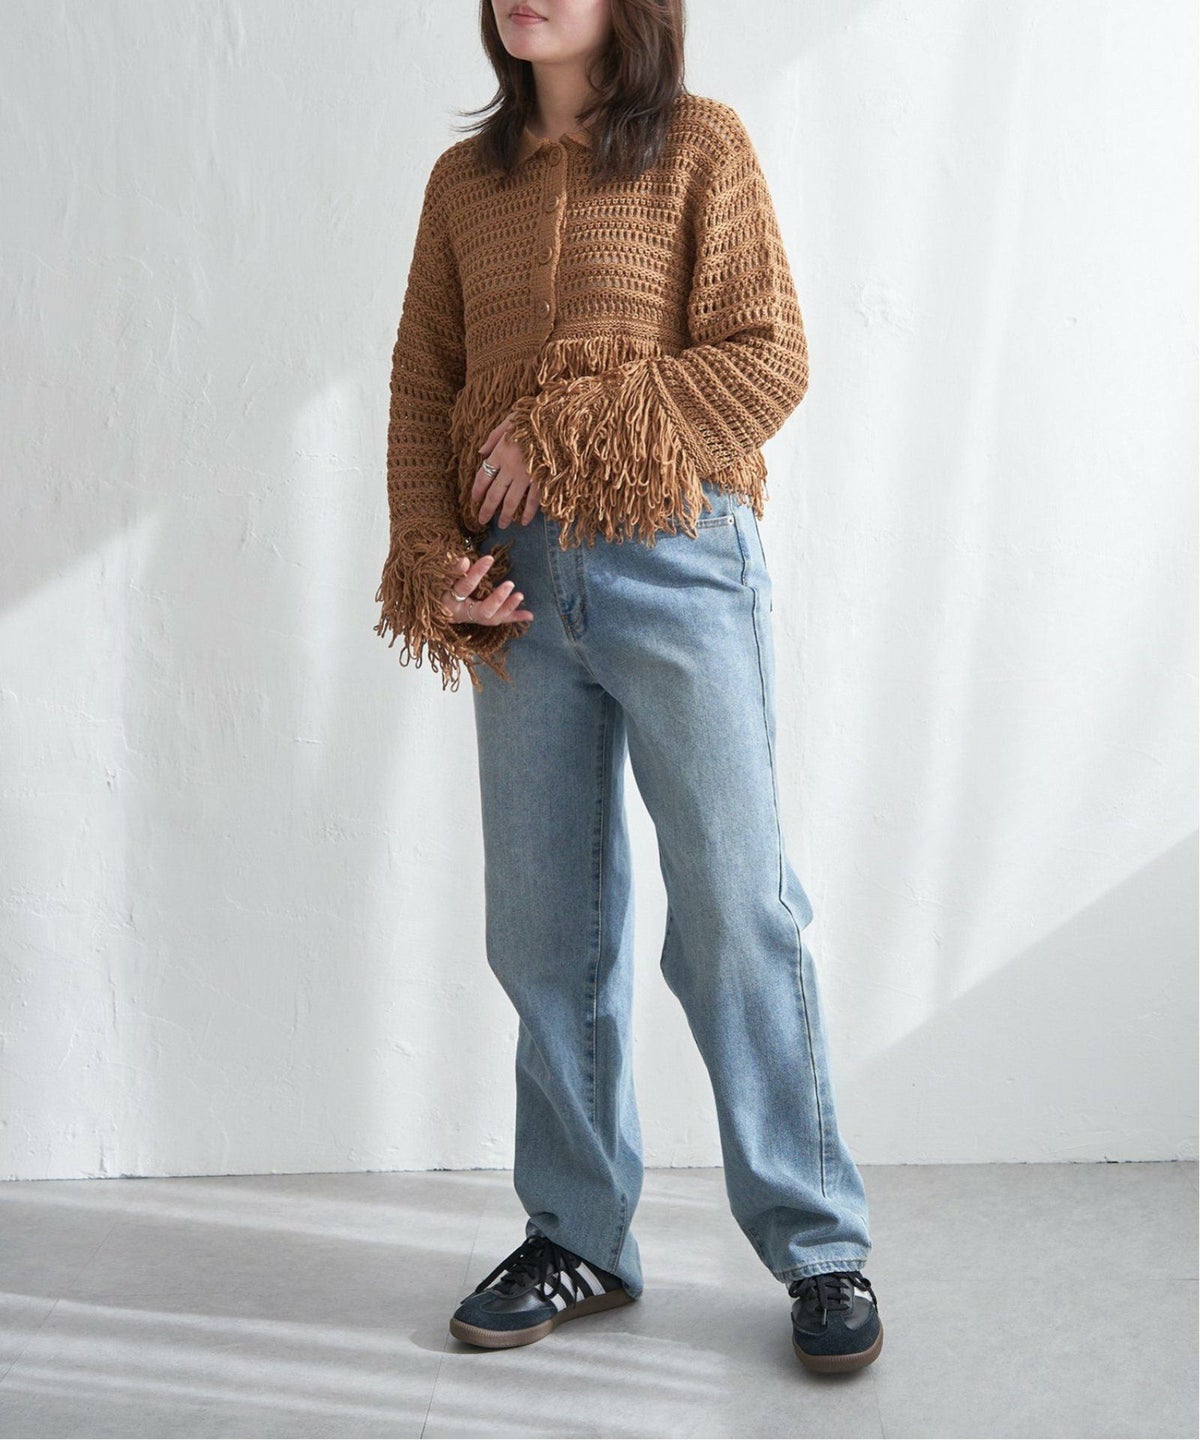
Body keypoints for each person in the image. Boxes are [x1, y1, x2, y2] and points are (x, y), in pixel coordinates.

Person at [374, 0, 883, 1374]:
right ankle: (580, 1233)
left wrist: (562, 433)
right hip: (517, 591)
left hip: (676, 561)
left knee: (734, 908)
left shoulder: (699, 146)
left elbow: (767, 359)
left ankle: (819, 1244)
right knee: (545, 930)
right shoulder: (462, 184)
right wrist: (432, 561)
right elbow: (422, 392)